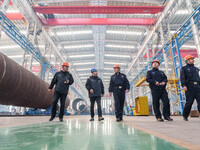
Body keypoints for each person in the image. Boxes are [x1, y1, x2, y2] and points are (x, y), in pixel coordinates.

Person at [180, 55, 200, 121]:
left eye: (193, 59)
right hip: (189, 87)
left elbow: (198, 78)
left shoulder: (196, 69)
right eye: (191, 59)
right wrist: (183, 85)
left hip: (197, 87)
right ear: (187, 61)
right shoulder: (184, 68)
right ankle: (185, 116)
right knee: (189, 102)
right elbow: (182, 78)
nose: (193, 60)